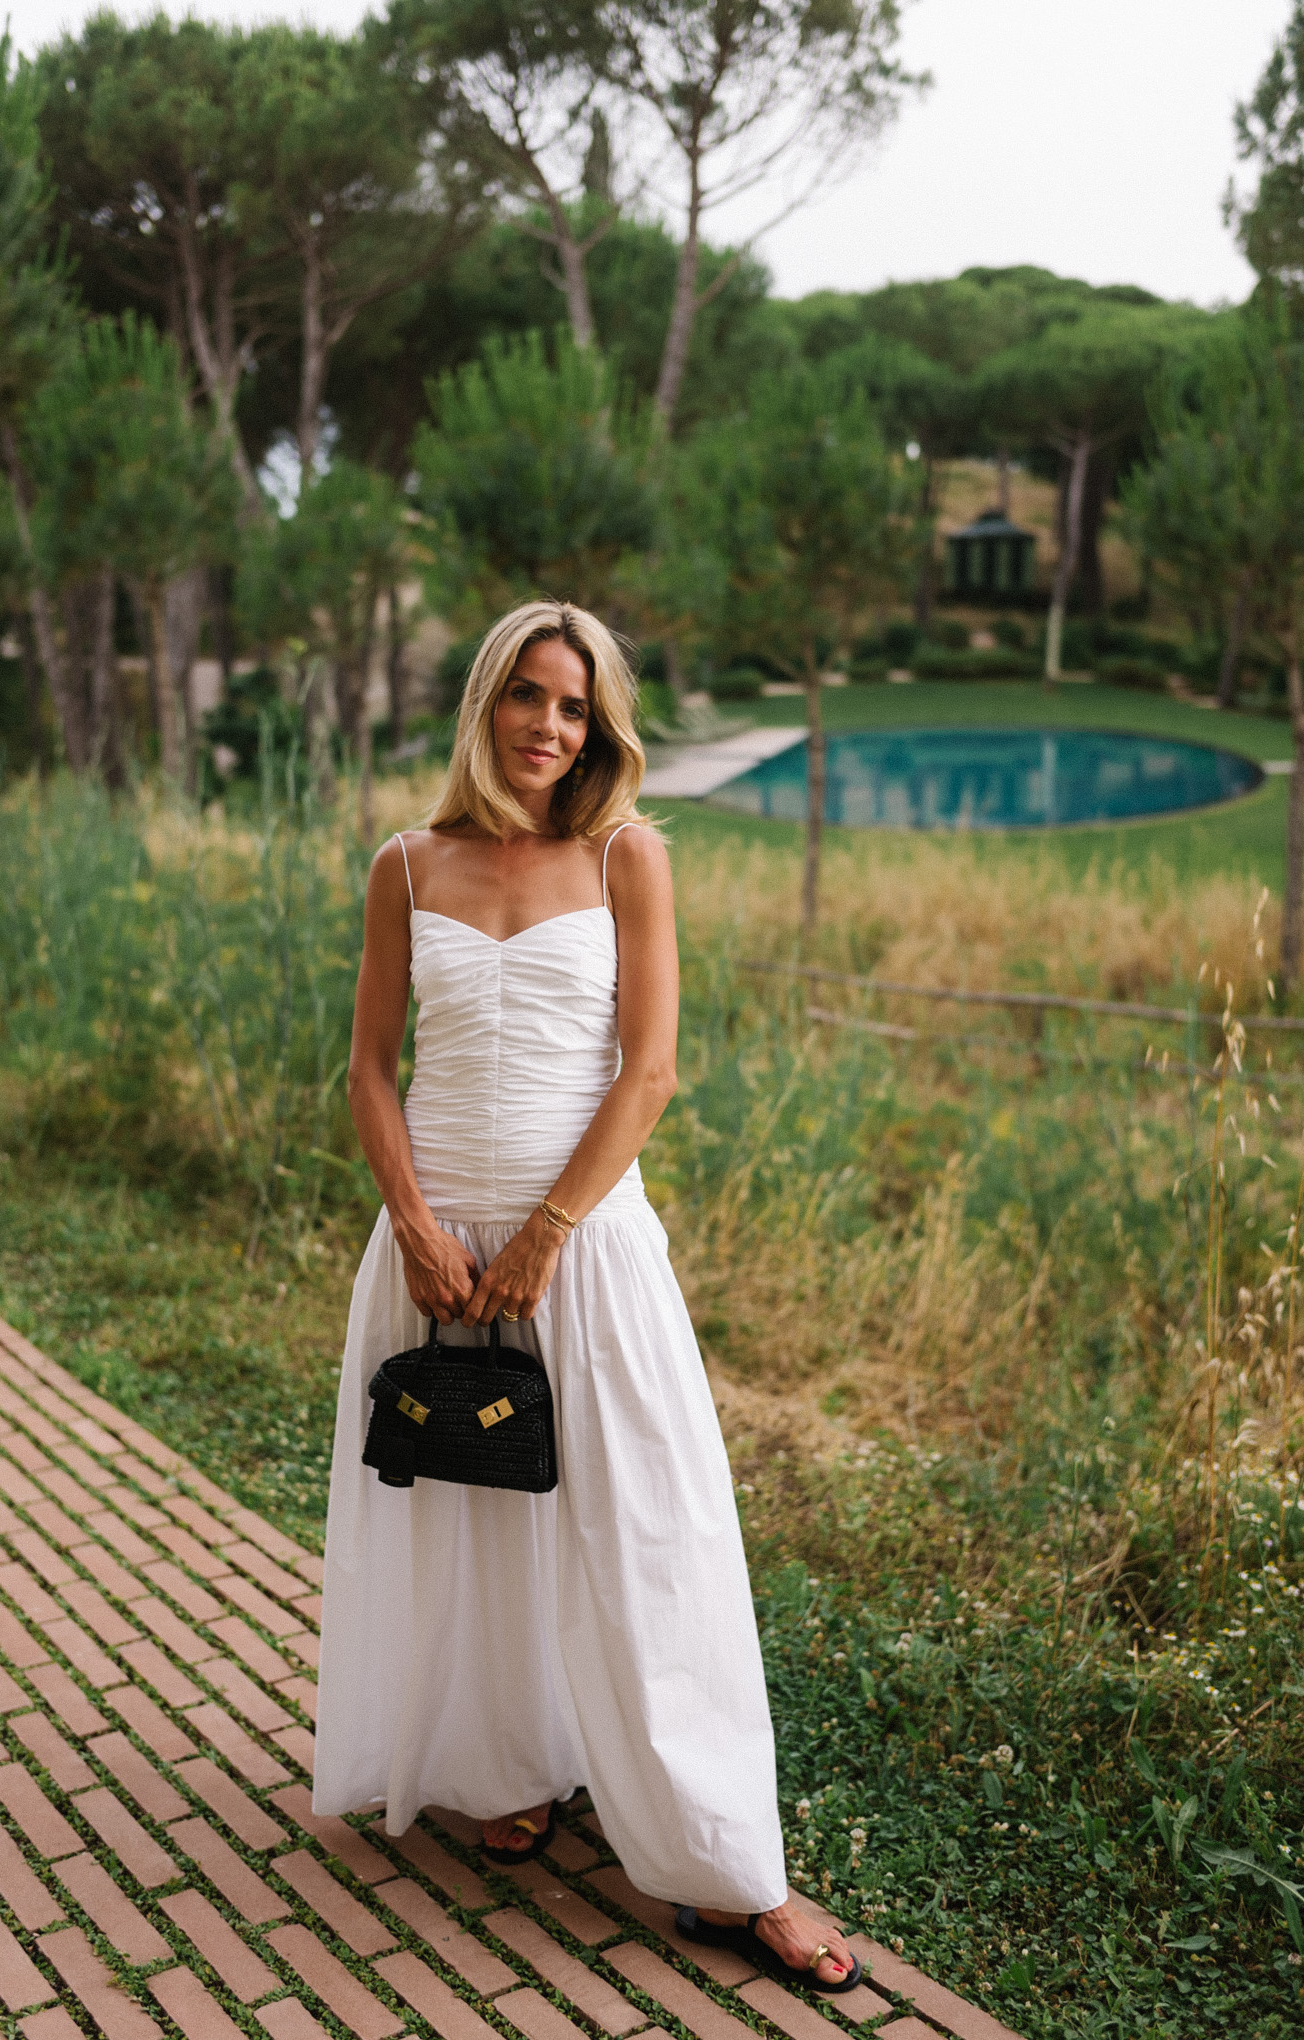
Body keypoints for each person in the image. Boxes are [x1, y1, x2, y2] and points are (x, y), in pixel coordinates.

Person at [314, 600, 859, 1990]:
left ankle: (731, 1870)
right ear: (487, 703)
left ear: (599, 725)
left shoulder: (626, 856)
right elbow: (374, 1068)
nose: (552, 727)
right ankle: (504, 1769)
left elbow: (651, 1069)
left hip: (585, 1243)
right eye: (529, 698)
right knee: (466, 1505)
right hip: (435, 1244)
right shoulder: (405, 862)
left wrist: (550, 1233)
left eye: (577, 707)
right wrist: (416, 1223)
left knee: (649, 1535)